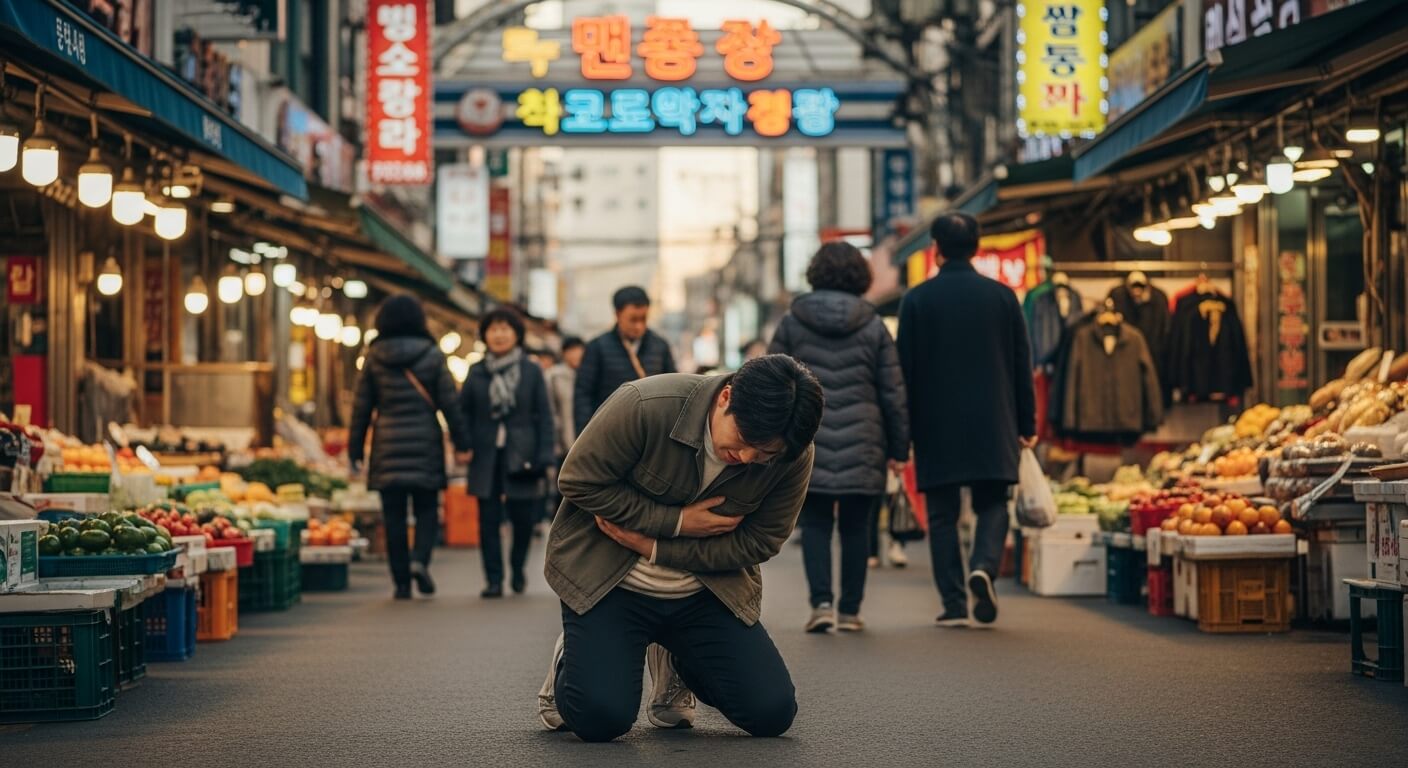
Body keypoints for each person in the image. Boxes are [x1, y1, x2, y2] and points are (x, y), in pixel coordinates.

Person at [536, 356, 824, 743]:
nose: (750, 458)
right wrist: (675, 522)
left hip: (704, 593)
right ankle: (569, 661)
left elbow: (761, 541)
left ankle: (675, 659)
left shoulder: (793, 454)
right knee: (601, 719)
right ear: (725, 398)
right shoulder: (645, 404)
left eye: (766, 455)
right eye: (745, 442)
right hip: (612, 584)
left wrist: (656, 546)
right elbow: (579, 481)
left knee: (772, 713)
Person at [897, 213, 1037, 628]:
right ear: (977, 247)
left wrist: (901, 436)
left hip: (935, 423)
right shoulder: (1002, 297)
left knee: (942, 515)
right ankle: (984, 566)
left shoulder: (917, 300)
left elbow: (903, 373)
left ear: (935, 249)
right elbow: (1020, 365)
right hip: (994, 419)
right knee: (993, 502)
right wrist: (1026, 423)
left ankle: (955, 604)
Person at [769, 242, 909, 633]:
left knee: (814, 524)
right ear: (859, 277)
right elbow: (893, 392)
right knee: (856, 526)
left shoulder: (793, 322)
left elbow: (769, 381)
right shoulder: (873, 324)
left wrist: (773, 439)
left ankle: (822, 604)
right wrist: (899, 449)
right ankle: (850, 610)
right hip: (865, 438)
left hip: (807, 436)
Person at [348, 295, 471, 600]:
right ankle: (420, 560)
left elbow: (361, 407)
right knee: (427, 509)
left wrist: (354, 450)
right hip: (425, 442)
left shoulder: (374, 355)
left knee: (393, 516)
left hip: (387, 442)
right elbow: (449, 404)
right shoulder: (432, 354)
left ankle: (401, 582)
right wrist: (461, 442)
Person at [458, 307, 556, 598]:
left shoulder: (531, 370)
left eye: (505, 329)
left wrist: (545, 454)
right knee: (487, 519)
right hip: (485, 453)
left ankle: (517, 568)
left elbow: (544, 415)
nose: (499, 335)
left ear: (516, 334)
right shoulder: (476, 371)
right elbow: (462, 412)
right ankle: (493, 579)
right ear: (485, 335)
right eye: (493, 329)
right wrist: (463, 444)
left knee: (522, 518)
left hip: (522, 452)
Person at [573, 286, 677, 436]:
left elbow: (673, 391)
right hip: (609, 434)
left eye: (643, 319)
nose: (639, 326)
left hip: (651, 434)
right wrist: (585, 437)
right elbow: (583, 396)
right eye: (633, 319)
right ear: (617, 314)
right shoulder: (597, 347)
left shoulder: (660, 347)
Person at [545, 336, 585, 461]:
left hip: (584, 438)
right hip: (561, 440)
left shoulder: (588, 375)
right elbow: (550, 409)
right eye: (571, 351)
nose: (575, 355)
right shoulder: (553, 375)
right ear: (563, 353)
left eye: (579, 350)